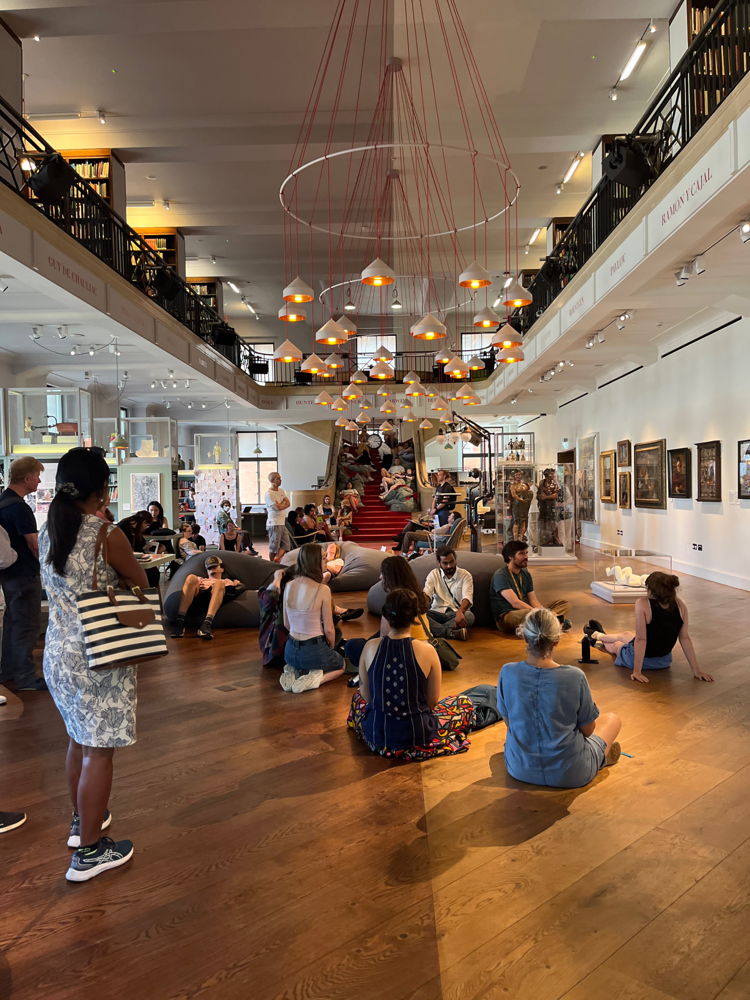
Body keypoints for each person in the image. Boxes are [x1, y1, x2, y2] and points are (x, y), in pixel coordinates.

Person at [40, 447, 149, 881]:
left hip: (58, 654)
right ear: (102, 489)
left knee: (78, 741)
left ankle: (81, 821)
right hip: (99, 655)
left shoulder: (49, 531)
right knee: (99, 752)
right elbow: (139, 583)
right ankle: (87, 853)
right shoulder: (107, 535)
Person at [497, 609, 622, 788]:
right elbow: (588, 730)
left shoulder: (507, 672)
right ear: (556, 640)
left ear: (524, 637)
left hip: (520, 769)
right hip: (571, 774)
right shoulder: (574, 676)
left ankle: (597, 757)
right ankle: (598, 758)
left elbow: (510, 723)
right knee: (612, 720)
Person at [347, 588, 474, 761]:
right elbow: (432, 702)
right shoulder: (428, 650)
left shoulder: (370, 647)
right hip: (417, 733)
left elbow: (366, 696)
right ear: (416, 617)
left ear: (385, 616)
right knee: (464, 702)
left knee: (357, 698)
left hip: (377, 733)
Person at [584, 572, 714, 685]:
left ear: (651, 590)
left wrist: (637, 672)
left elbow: (641, 639)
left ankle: (597, 637)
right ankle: (597, 634)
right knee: (626, 634)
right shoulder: (681, 605)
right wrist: (696, 670)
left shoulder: (643, 603)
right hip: (663, 661)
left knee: (616, 645)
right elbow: (684, 638)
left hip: (639, 659)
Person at [0, 456, 46, 692]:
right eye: (37, 476)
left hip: (8, 575)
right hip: (24, 575)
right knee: (27, 626)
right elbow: (34, 545)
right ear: (27, 478)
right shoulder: (20, 507)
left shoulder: (3, 502)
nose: (39, 481)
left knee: (12, 624)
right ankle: (26, 678)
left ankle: (7, 673)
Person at [280, 543, 346, 694]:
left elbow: (286, 624)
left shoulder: (289, 585)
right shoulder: (323, 589)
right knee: (340, 665)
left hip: (290, 650)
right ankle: (316, 679)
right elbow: (329, 629)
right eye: (323, 558)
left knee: (302, 660)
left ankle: (293, 669)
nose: (326, 562)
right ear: (314, 562)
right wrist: (330, 647)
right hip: (313, 649)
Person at [490, 540, 571, 634]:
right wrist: (540, 613)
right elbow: (515, 603)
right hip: (509, 616)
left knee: (564, 603)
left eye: (526, 553)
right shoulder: (500, 575)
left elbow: (533, 601)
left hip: (528, 611)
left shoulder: (525, 573)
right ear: (510, 556)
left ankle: (546, 623)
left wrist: (542, 611)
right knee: (526, 614)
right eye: (521, 554)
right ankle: (552, 623)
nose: (526, 557)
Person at [169, 555, 244, 640]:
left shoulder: (227, 581)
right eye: (209, 568)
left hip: (214, 597)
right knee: (191, 577)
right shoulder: (201, 579)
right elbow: (188, 586)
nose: (212, 569)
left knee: (219, 583)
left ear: (222, 569)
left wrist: (237, 583)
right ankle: (180, 620)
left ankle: (207, 623)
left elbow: (241, 587)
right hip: (198, 598)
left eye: (215, 567)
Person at [423, 546, 474, 640]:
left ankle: (437, 630)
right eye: (445, 563)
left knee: (469, 616)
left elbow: (467, 598)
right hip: (436, 613)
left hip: (455, 613)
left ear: (455, 560)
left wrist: (460, 611)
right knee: (420, 616)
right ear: (439, 563)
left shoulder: (465, 575)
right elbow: (427, 594)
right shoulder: (433, 574)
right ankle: (450, 632)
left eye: (451, 562)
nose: (449, 566)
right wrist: (422, 604)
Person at [265, 471, 292, 562]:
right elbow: (277, 508)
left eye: (280, 478)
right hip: (274, 523)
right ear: (272, 480)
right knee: (274, 547)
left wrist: (281, 505)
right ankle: (271, 562)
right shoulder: (269, 494)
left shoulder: (281, 491)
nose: (280, 480)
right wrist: (281, 505)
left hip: (282, 522)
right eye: (278, 479)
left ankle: (276, 559)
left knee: (286, 545)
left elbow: (288, 503)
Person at [537, 468, 561, 546]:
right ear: (547, 475)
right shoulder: (542, 483)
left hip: (551, 506)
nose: (553, 475)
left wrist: (546, 497)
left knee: (553, 522)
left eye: (553, 473)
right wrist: (540, 497)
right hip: (543, 506)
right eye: (551, 474)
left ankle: (555, 538)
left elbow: (555, 495)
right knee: (543, 523)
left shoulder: (555, 484)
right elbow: (539, 494)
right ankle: (545, 538)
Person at [509, 470, 533, 542]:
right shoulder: (513, 486)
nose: (518, 476)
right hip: (517, 505)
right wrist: (521, 500)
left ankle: (521, 537)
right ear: (514, 476)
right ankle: (515, 539)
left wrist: (526, 500)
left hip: (524, 506)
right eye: (516, 475)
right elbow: (514, 495)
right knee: (516, 521)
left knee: (523, 521)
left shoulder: (525, 485)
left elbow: (529, 493)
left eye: (519, 475)